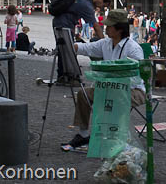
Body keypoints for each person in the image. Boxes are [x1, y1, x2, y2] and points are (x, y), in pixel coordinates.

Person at [61, 9, 145, 149]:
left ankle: (114, 135)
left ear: (119, 29)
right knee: (83, 94)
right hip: (110, 87)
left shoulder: (133, 49)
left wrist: (112, 80)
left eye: (110, 26)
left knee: (114, 97)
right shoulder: (106, 43)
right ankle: (83, 134)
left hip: (133, 90)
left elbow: (136, 78)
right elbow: (87, 48)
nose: (106, 28)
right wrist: (71, 46)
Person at [52, 0, 111, 84]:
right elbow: (95, 25)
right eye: (103, 4)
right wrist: (104, 42)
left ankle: (63, 75)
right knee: (67, 50)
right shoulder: (87, 5)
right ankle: (66, 76)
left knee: (63, 49)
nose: (100, 7)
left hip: (61, 22)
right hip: (64, 24)